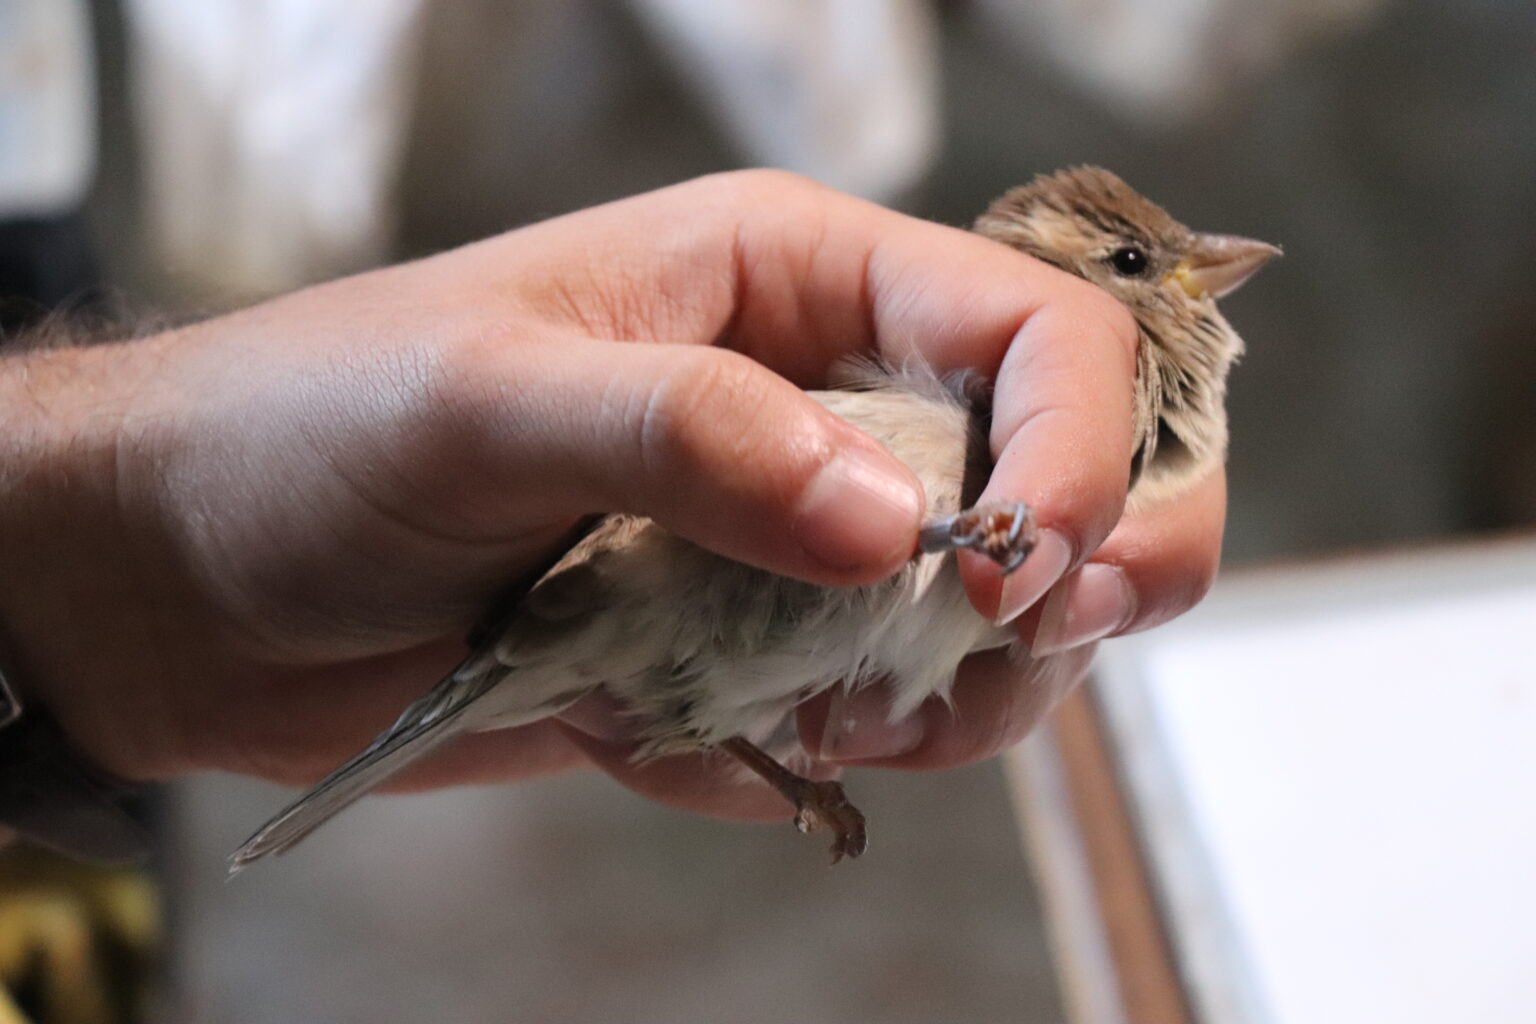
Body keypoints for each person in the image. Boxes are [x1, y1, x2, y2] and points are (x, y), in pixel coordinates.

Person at [0, 171, 1223, 829]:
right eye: (1137, 266)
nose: (1193, 277)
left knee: (744, 699)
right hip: (637, 582)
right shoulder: (980, 367)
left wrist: (115, 562)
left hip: (89, 701)